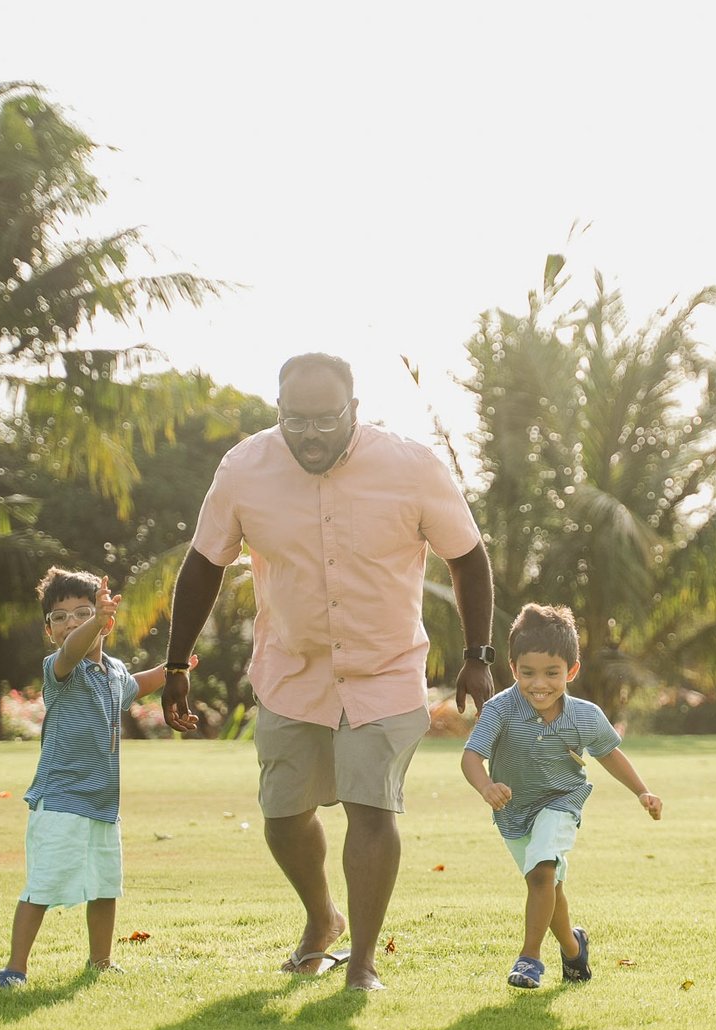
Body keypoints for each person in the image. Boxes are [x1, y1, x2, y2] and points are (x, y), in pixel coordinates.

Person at [162, 352, 495, 991]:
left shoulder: (411, 467)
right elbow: (204, 564)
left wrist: (477, 657)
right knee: (283, 817)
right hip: (292, 670)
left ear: (354, 412)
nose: (309, 434)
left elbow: (468, 557)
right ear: (278, 412)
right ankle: (323, 921)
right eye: (295, 420)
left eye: (324, 419)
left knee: (372, 810)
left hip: (386, 668)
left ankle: (363, 963)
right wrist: (177, 663)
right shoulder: (243, 469)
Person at [0, 569, 195, 988]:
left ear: (108, 622)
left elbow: (136, 686)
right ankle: (15, 968)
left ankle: (101, 962)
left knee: (105, 886)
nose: (71, 622)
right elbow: (74, 648)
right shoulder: (60, 669)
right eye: (60, 617)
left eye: (82, 613)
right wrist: (93, 619)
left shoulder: (113, 672)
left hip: (103, 803)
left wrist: (174, 668)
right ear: (49, 630)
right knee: (43, 886)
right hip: (61, 798)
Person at [461, 604, 663, 989]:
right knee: (548, 886)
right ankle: (573, 949)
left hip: (561, 803)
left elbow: (609, 753)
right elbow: (471, 756)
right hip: (513, 813)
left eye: (552, 673)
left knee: (541, 873)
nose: (540, 684)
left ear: (571, 670)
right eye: (528, 673)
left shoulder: (585, 715)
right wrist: (486, 786)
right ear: (513, 666)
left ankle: (529, 959)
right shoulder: (500, 710)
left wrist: (643, 791)